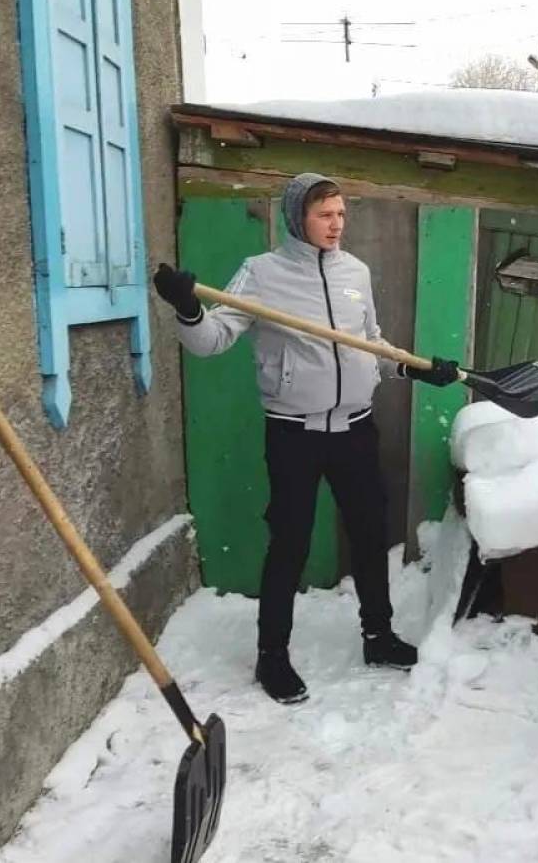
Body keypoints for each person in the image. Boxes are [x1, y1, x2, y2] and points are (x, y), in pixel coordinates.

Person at [153, 172, 459, 705]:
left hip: (356, 429)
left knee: (369, 534)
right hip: (295, 433)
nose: (336, 223)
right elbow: (212, 339)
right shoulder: (262, 274)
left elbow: (369, 345)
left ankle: (378, 636)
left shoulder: (354, 273)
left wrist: (414, 370)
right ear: (299, 218)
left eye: (341, 213)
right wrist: (187, 308)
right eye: (325, 214)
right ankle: (272, 657)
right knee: (289, 544)